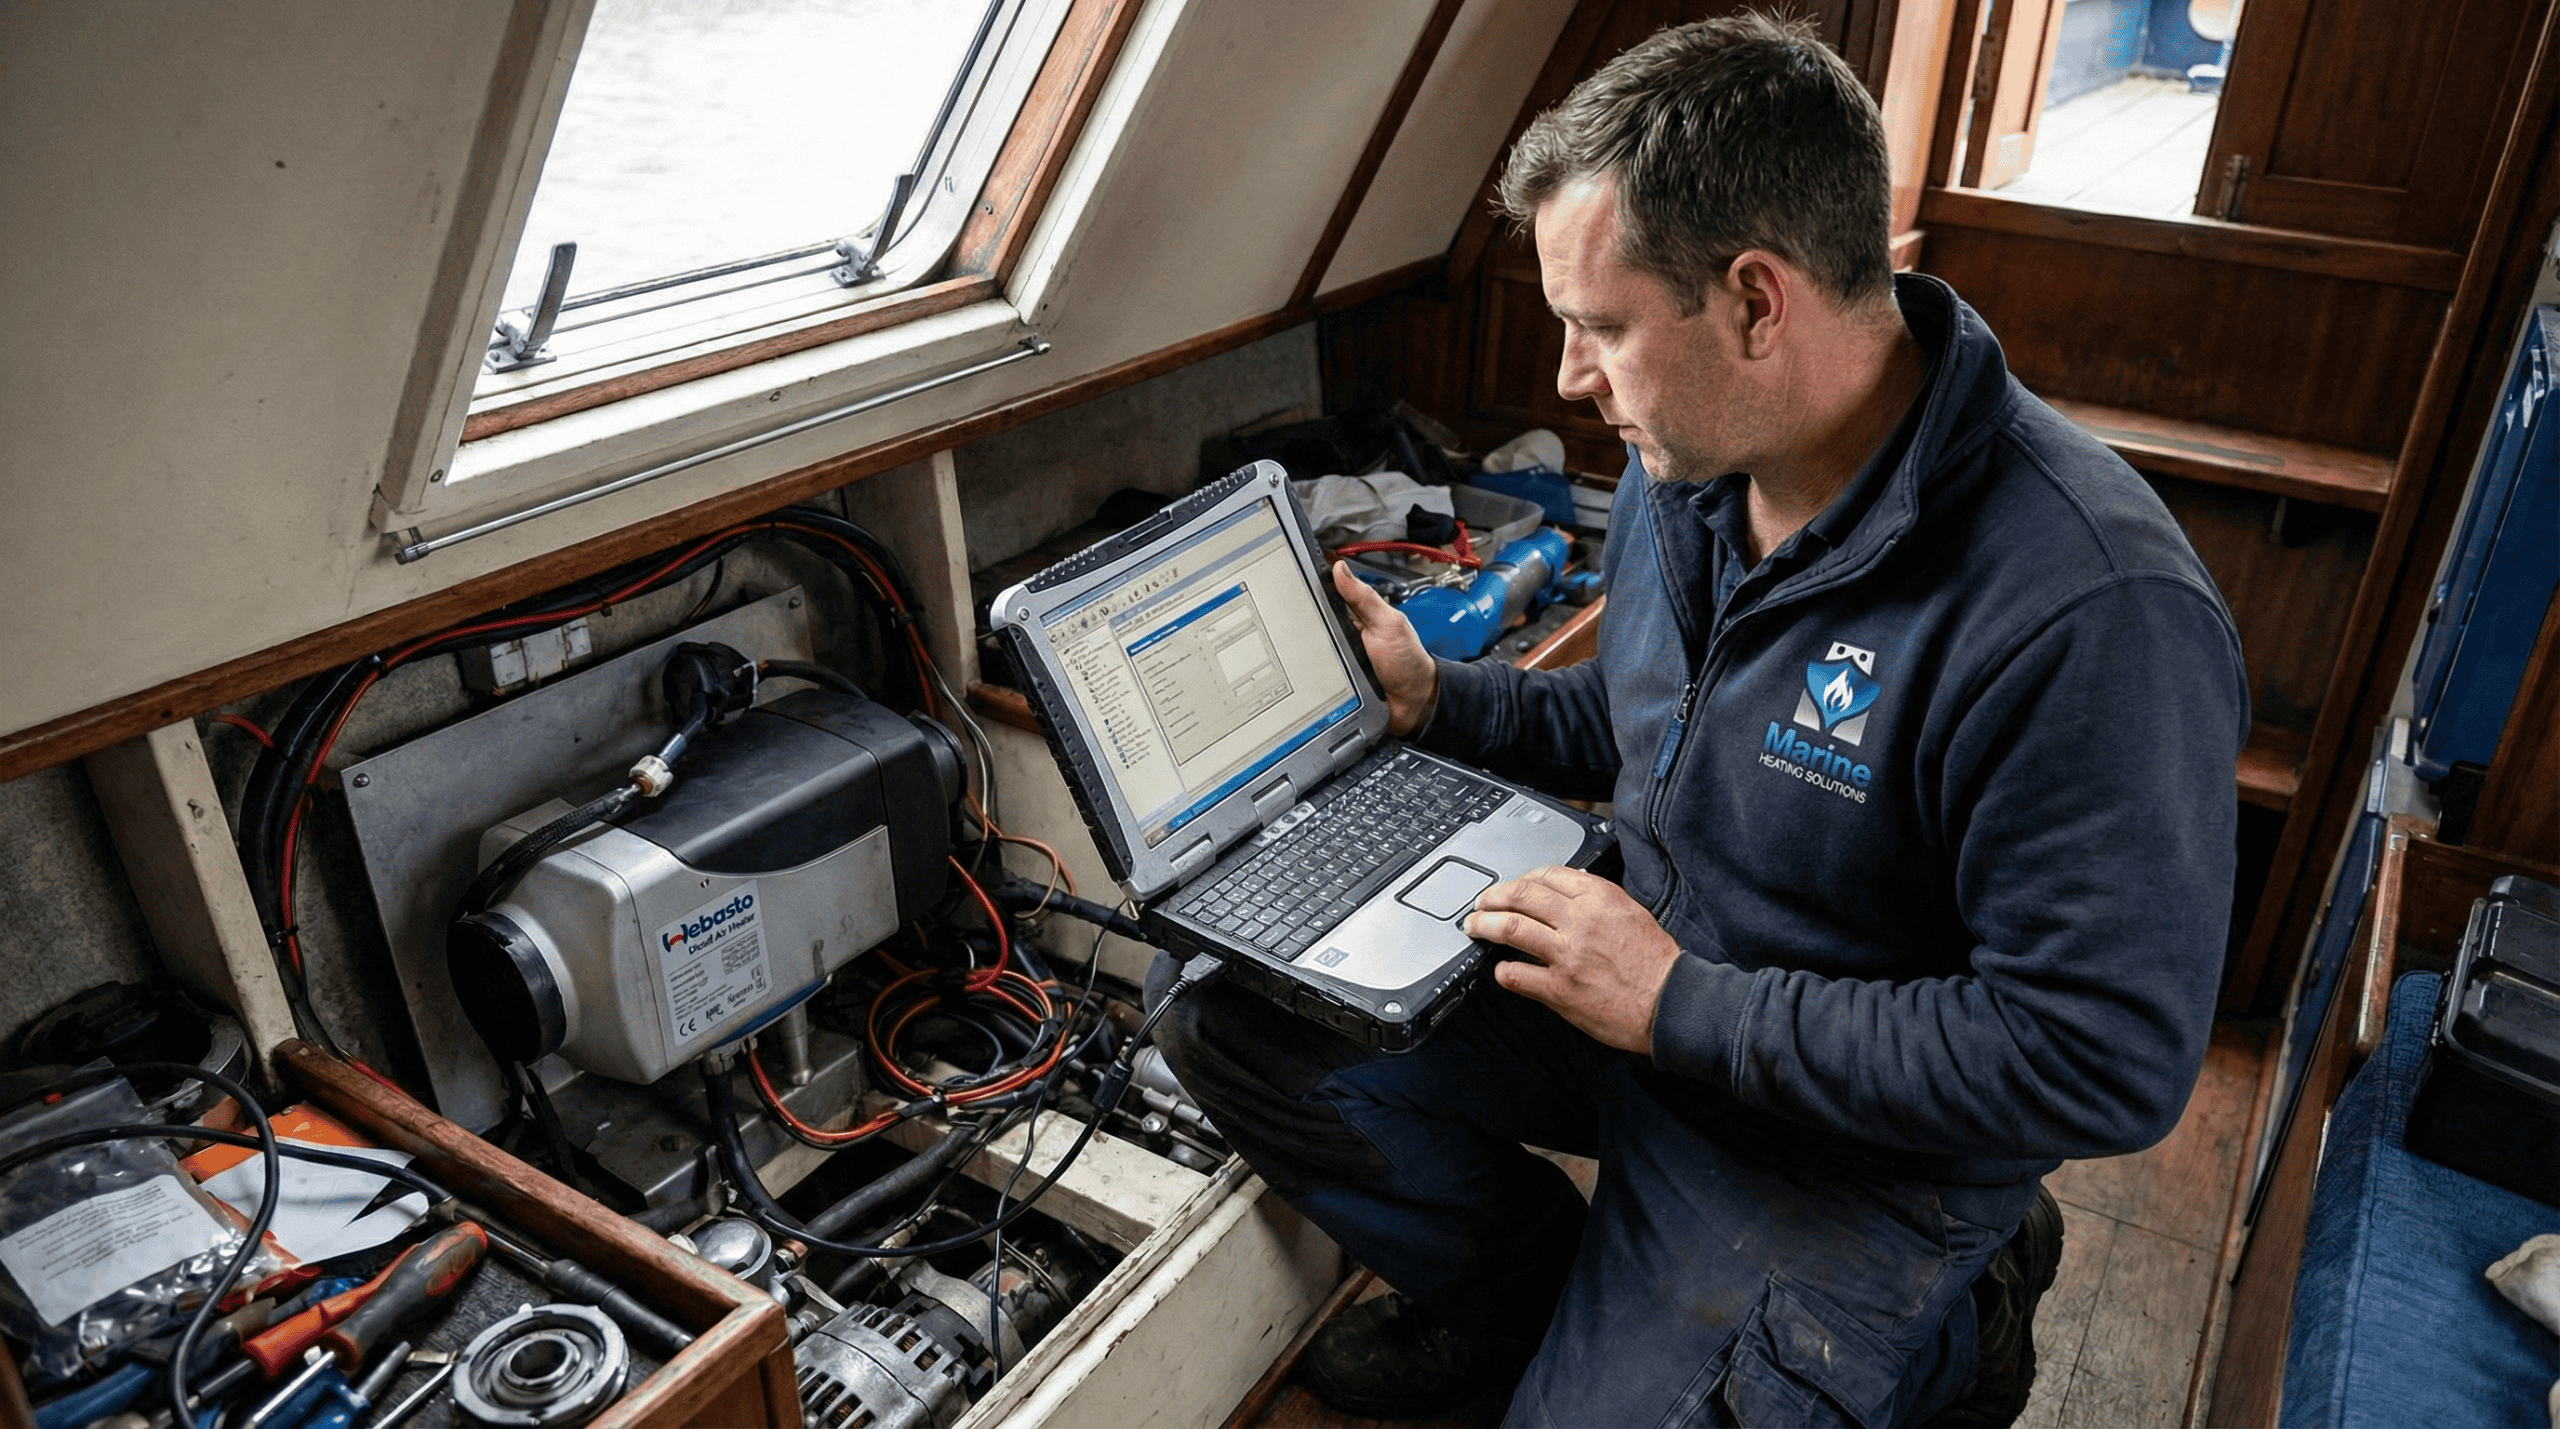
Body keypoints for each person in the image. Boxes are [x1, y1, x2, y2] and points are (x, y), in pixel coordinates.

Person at [1150, 12, 2249, 1426]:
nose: (1568, 380)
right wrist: (1441, 700)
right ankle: (1531, 1309)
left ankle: (1940, 1326)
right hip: (1648, 1012)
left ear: (1753, 302)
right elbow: (1650, 734)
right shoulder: (1696, 468)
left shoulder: (2091, 611)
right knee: (1225, 1010)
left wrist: (1682, 1005)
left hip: (1844, 1148)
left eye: (1597, 328)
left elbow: (2092, 1062)